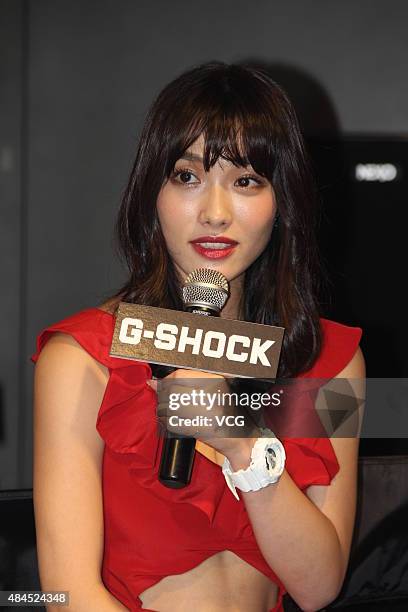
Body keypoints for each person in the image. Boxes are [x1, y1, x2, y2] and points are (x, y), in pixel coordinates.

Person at [31, 60, 366, 612]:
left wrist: (243, 445)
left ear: (282, 201)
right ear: (151, 194)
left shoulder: (326, 361)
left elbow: (318, 587)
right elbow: (66, 594)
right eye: (187, 177)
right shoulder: (85, 357)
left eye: (246, 181)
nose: (214, 213)